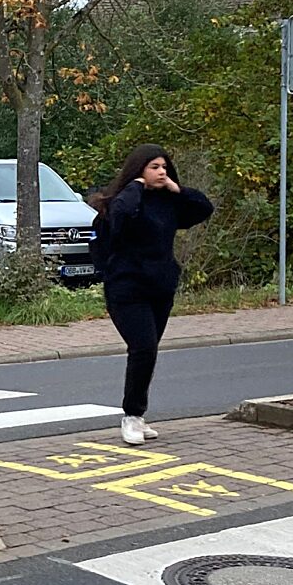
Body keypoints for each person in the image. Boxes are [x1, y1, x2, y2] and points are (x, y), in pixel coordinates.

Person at [91, 144, 214, 445]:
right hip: (126, 289)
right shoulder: (122, 202)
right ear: (139, 170)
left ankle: (139, 417)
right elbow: (121, 215)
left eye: (164, 167)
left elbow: (203, 208)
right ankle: (131, 416)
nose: (161, 172)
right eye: (154, 167)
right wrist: (135, 186)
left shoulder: (168, 203)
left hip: (160, 288)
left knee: (148, 352)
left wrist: (176, 187)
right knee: (143, 348)